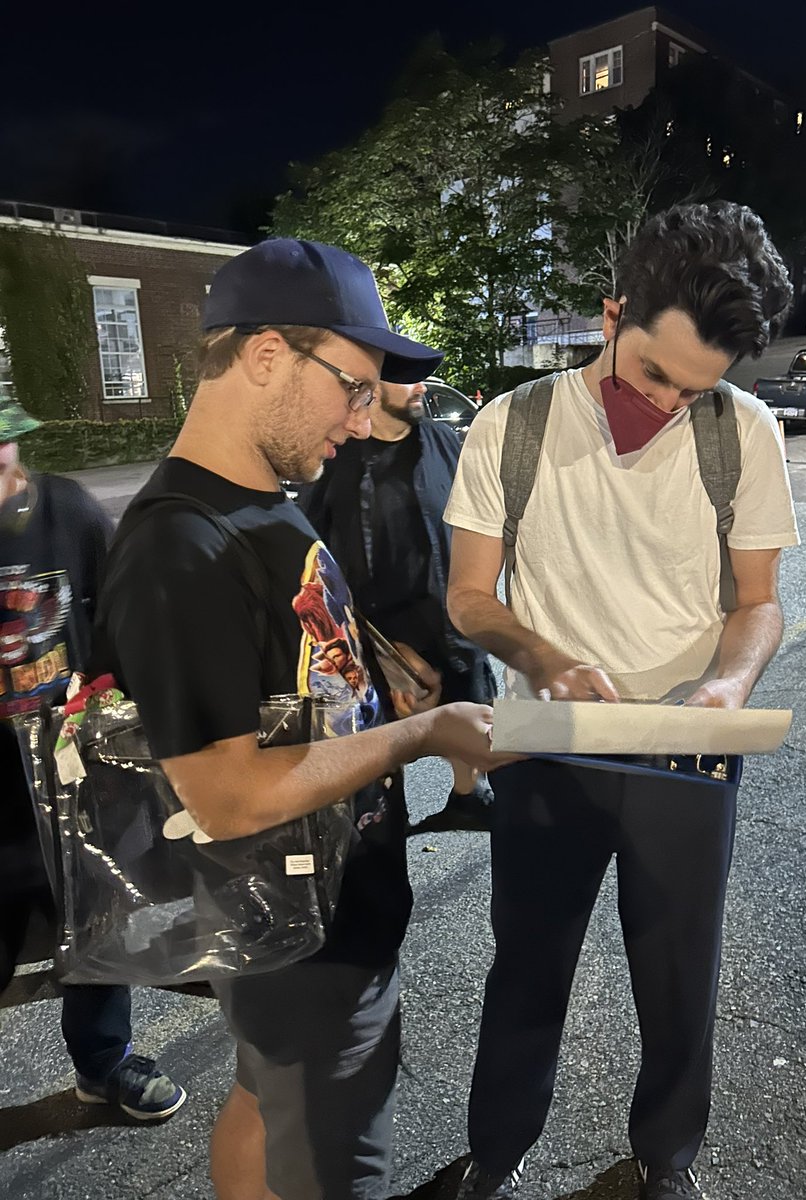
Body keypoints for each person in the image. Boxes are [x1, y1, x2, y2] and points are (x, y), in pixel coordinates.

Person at [95, 238, 516, 1200]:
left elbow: (281, 690)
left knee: (262, 1098)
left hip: (317, 912)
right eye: (353, 386)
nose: (365, 420)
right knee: (333, 1150)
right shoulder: (182, 548)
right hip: (296, 936)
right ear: (267, 355)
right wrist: (421, 733)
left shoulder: (260, 505)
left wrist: (373, 684)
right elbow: (230, 792)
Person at [443, 202, 799, 1200]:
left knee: (680, 977)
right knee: (528, 967)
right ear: (611, 316)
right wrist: (543, 655)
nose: (674, 404)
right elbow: (471, 597)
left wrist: (725, 687)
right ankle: (497, 1150)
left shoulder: (747, 434)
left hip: (689, 750)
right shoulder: (511, 427)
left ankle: (666, 1158)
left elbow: (760, 603)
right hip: (549, 745)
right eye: (655, 375)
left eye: (701, 389)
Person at [0, 398, 186, 1120]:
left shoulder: (67, 510)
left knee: (88, 914)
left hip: (60, 766)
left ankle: (102, 1062)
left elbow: (118, 616)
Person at [298, 376, 496, 833]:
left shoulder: (442, 440)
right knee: (384, 757)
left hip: (448, 621)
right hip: (381, 637)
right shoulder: (341, 455)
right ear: (373, 383)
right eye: (407, 378)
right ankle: (383, 829)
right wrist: (374, 650)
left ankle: (469, 798)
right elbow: (315, 560)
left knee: (470, 722)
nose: (422, 388)